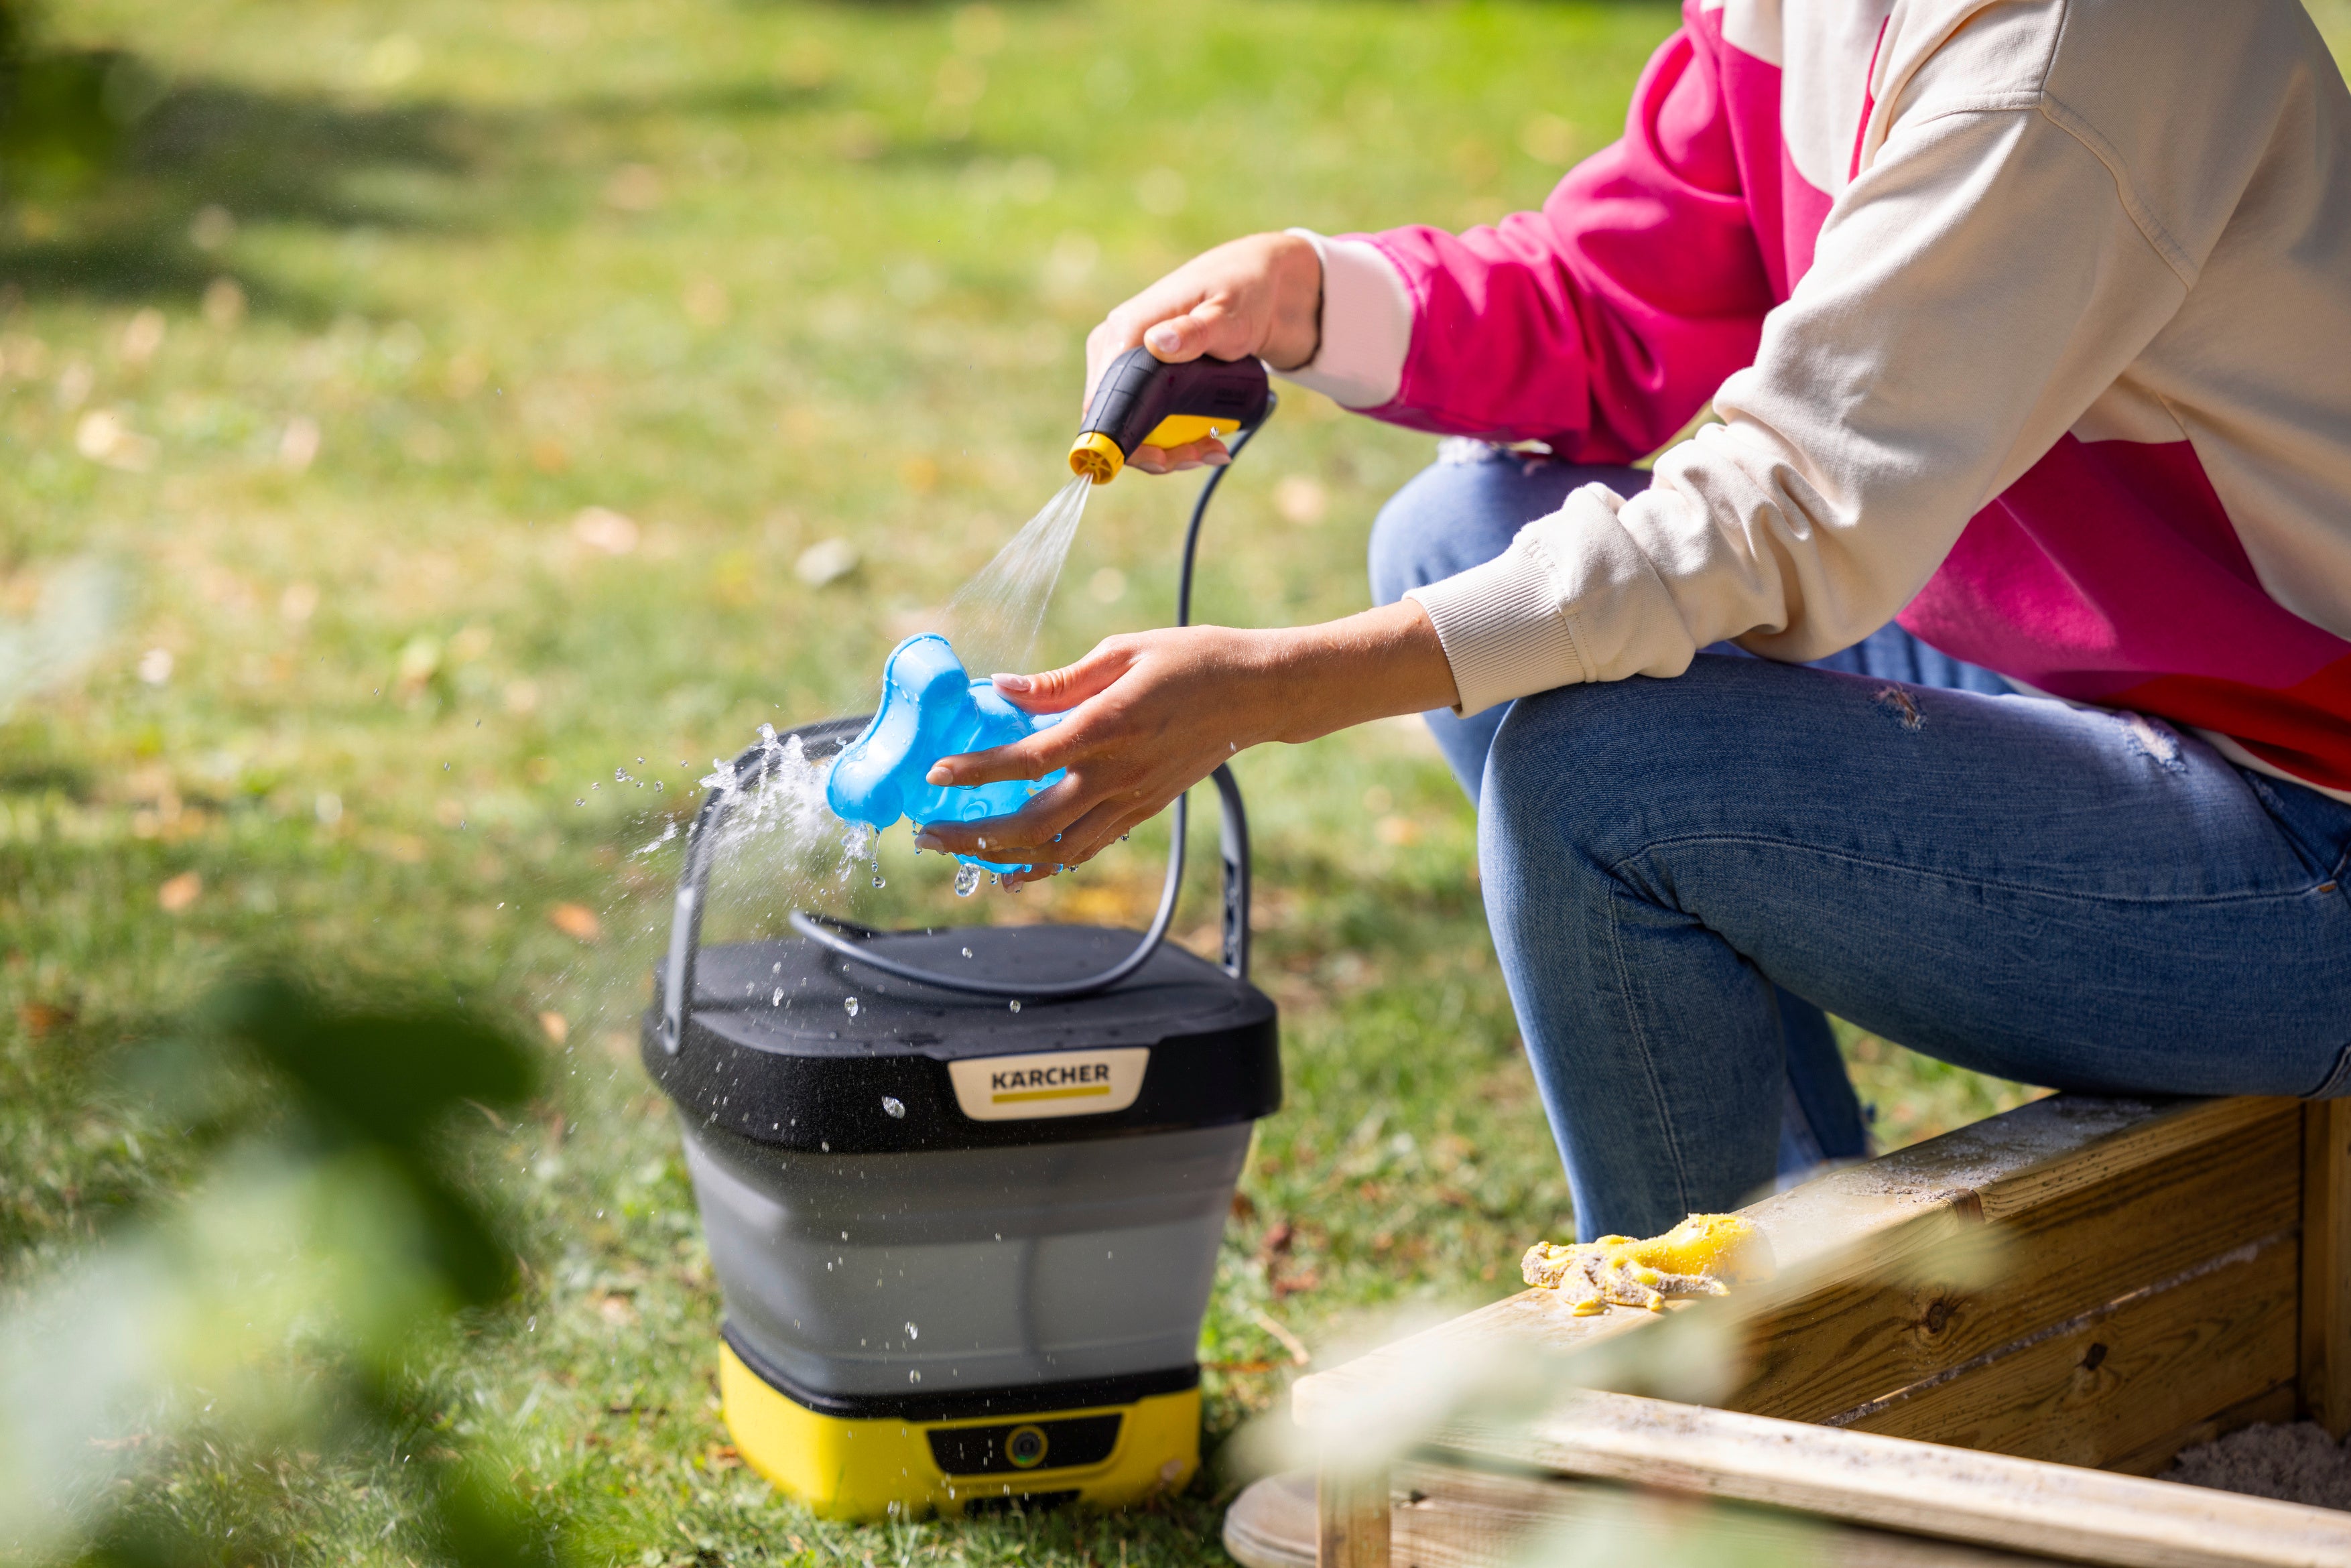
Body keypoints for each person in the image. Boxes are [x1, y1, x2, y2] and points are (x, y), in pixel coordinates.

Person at [914, 0, 2351, 1241]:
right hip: (2083, 691)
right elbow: (1626, 298)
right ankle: (1791, 1253)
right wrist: (1302, 294)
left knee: (1605, 787)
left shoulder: (2062, 54)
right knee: (1453, 532)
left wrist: (1277, 685)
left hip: (2300, 823)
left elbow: (1784, 506)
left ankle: (1698, 1423)